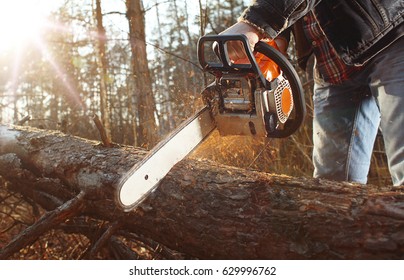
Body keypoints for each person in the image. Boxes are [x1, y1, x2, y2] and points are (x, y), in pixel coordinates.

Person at [220, 1, 403, 186]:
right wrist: (275, 39)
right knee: (333, 186)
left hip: (391, 37)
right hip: (332, 64)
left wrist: (254, 23)